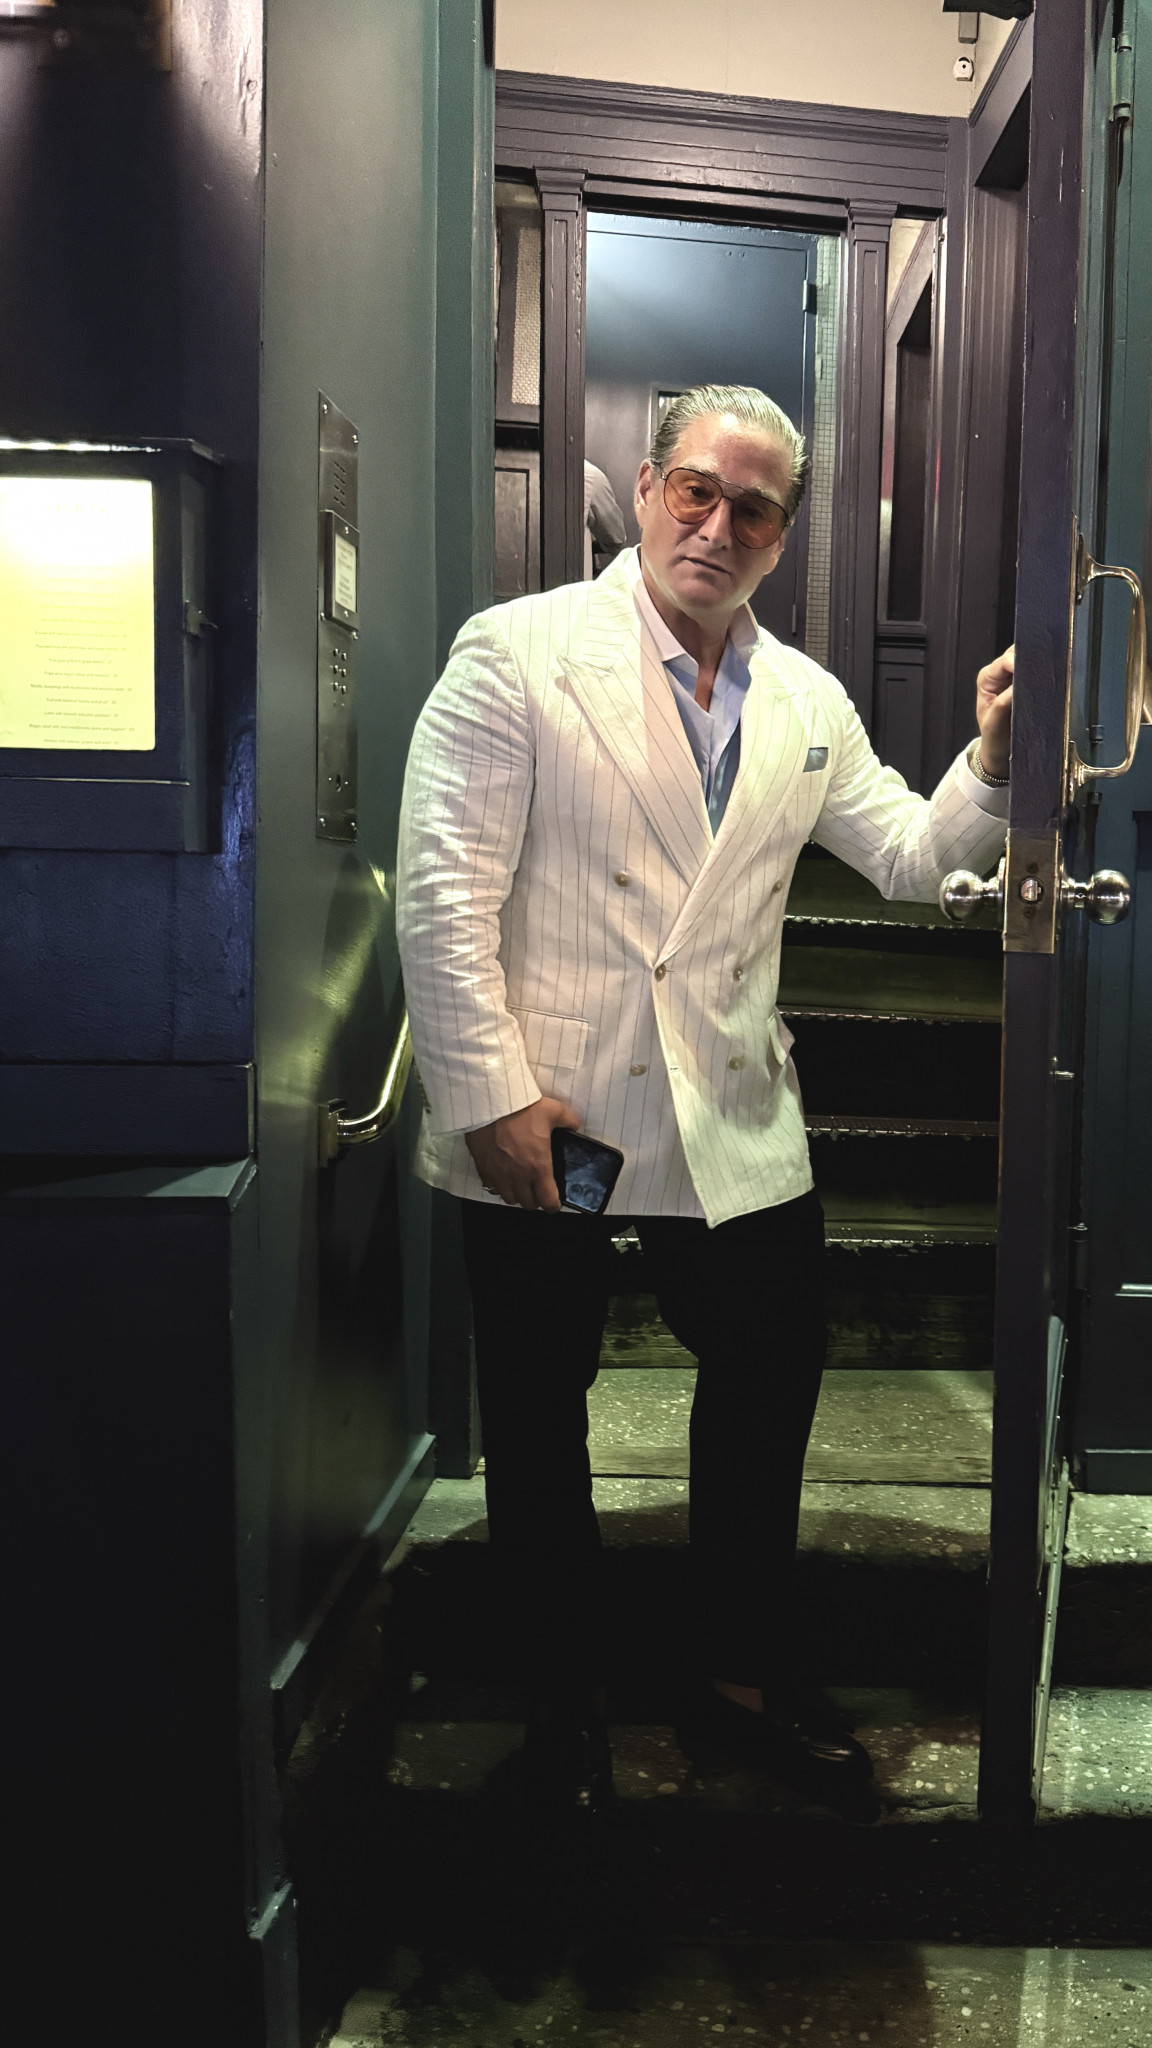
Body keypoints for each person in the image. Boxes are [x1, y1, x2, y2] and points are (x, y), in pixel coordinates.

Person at [396, 383, 1012, 1815]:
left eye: (755, 509)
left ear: (782, 535)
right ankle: (563, 1707)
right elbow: (442, 894)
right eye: (697, 491)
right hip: (552, 1107)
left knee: (767, 1381)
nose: (718, 527)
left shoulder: (806, 700)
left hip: (730, 1112)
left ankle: (735, 1681)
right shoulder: (519, 652)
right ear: (646, 487)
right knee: (538, 1414)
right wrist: (490, 1094)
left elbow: (913, 859)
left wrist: (988, 757)